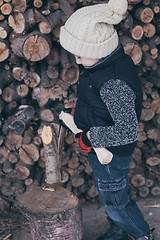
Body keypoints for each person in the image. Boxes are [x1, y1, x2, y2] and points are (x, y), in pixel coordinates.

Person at [59, 0, 154, 239]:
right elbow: (98, 105)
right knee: (110, 195)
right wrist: (78, 116)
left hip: (112, 153)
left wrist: (91, 136)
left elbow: (127, 130)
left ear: (98, 51)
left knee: (116, 200)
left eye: (81, 55)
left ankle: (141, 235)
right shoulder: (101, 66)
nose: (77, 61)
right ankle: (119, 230)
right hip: (101, 147)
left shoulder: (114, 82)